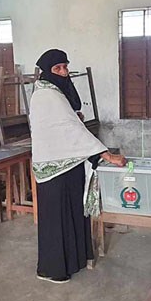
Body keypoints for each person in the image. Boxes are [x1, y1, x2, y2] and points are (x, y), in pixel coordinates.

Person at [30, 49, 126, 283]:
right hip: (55, 168)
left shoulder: (51, 91)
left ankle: (74, 261)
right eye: (57, 69)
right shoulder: (46, 95)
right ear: (47, 72)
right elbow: (69, 128)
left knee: (73, 212)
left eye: (65, 67)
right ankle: (52, 269)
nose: (64, 72)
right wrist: (107, 155)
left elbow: (67, 122)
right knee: (57, 219)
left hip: (68, 162)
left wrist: (75, 118)